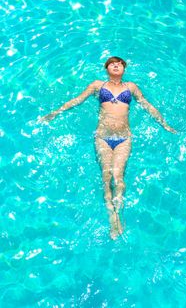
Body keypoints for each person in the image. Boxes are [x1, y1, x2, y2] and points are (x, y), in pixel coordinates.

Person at [41, 56, 177, 240]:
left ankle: (119, 213)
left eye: (120, 63)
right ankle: (112, 219)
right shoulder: (98, 85)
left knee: (118, 176)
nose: (116, 64)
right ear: (106, 68)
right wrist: (55, 113)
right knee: (106, 176)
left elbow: (147, 105)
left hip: (124, 138)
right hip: (103, 137)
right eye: (112, 63)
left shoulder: (131, 87)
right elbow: (78, 99)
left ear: (124, 69)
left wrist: (164, 124)